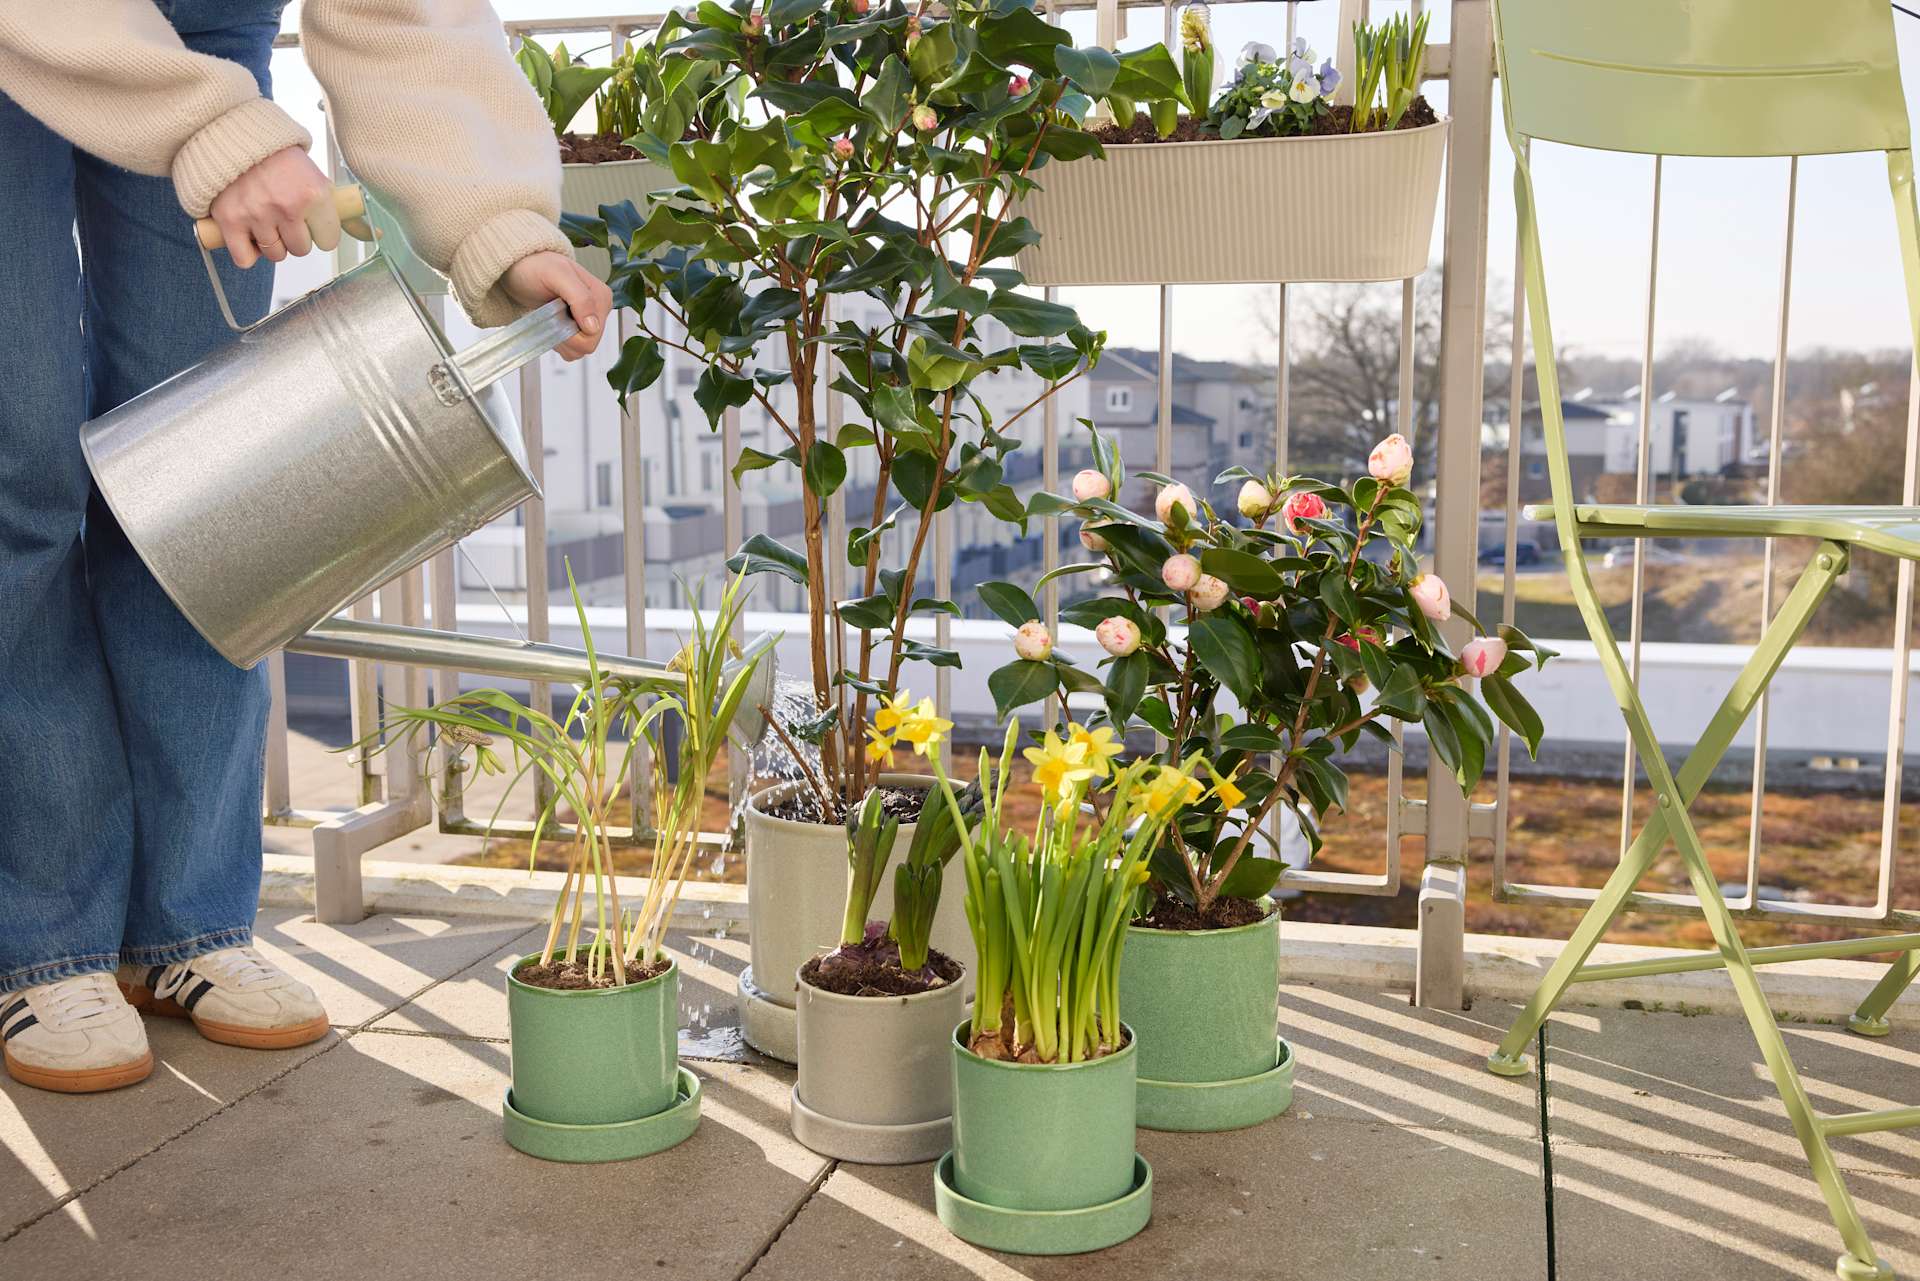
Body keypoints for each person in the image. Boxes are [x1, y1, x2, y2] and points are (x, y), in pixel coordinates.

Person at [0, 1, 613, 1093]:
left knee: (217, 482)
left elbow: (404, 10)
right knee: (20, 477)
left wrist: (499, 224)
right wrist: (211, 132)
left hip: (203, 26)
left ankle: (186, 923)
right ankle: (41, 939)